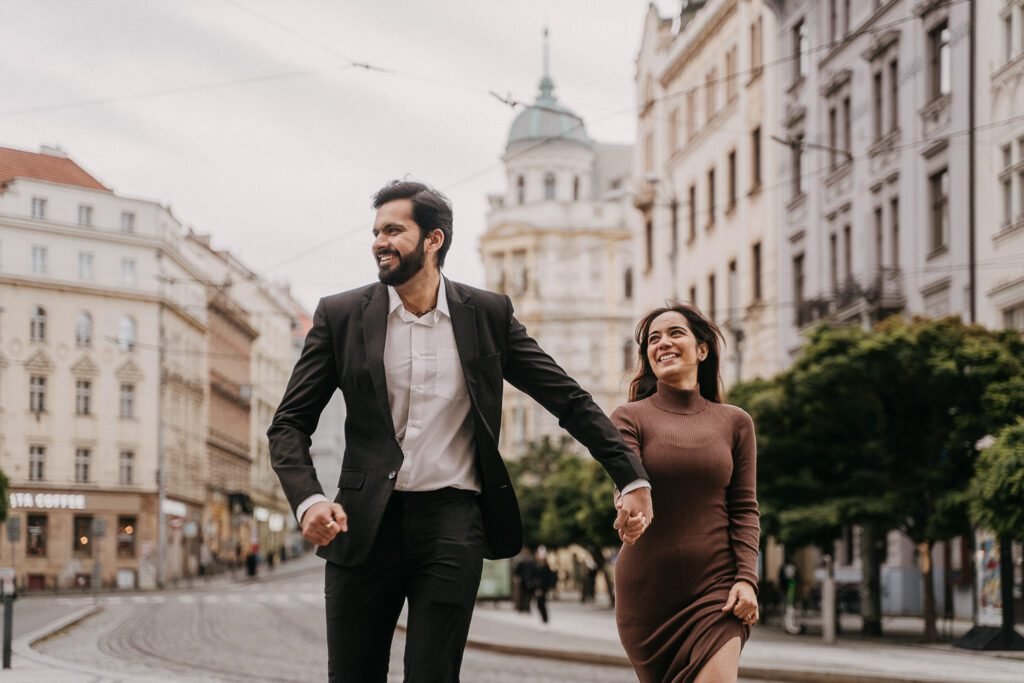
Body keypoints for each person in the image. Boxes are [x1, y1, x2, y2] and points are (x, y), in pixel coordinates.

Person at [267, 180, 653, 682]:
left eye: (393, 229)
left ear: (434, 239)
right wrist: (309, 500)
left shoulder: (487, 315)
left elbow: (568, 399)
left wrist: (631, 478)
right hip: (363, 524)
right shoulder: (341, 315)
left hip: (453, 523)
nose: (379, 242)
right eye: (376, 231)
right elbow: (289, 424)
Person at [611, 304, 760, 683]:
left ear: (703, 349)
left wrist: (747, 578)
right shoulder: (629, 417)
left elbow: (744, 508)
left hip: (717, 589)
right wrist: (629, 507)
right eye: (653, 339)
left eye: (675, 333)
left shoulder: (736, 423)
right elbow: (626, 477)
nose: (663, 343)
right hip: (649, 598)